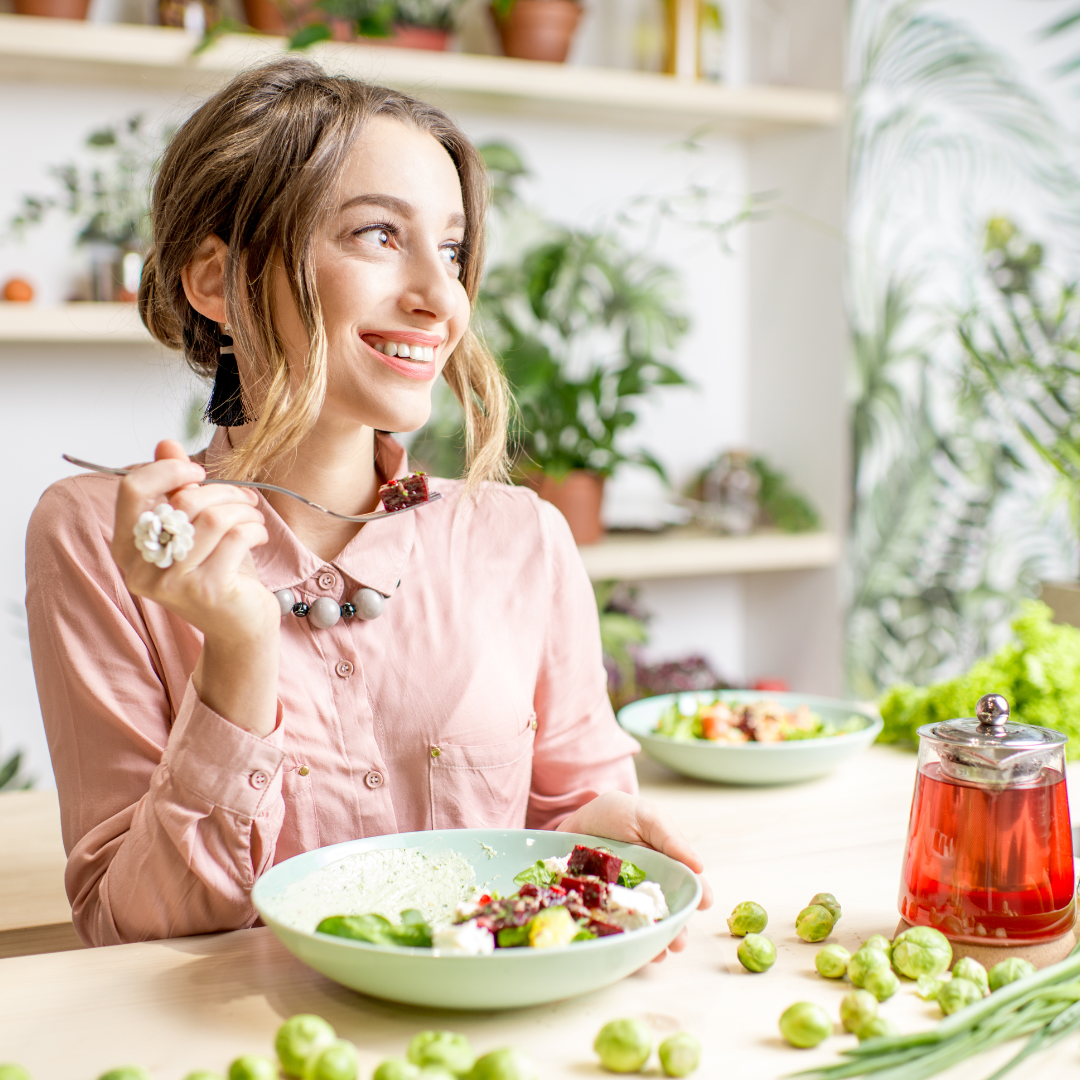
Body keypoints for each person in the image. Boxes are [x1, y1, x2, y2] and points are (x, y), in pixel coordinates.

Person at [25, 58, 711, 948]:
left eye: (454, 250)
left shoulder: (522, 539)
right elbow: (132, 928)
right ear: (215, 283)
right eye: (379, 235)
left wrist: (602, 844)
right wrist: (237, 650)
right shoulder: (100, 538)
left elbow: (572, 811)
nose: (441, 298)